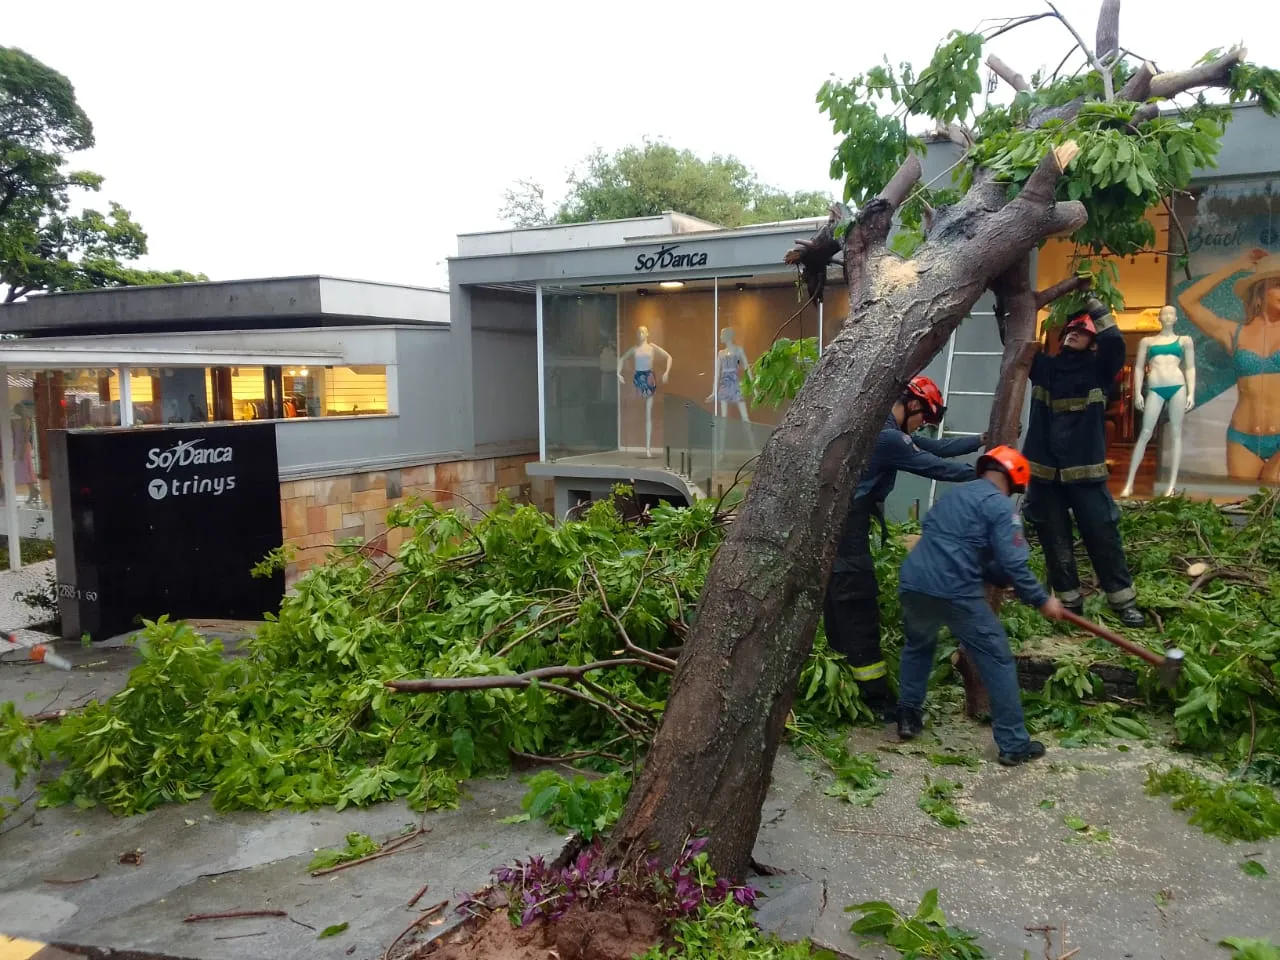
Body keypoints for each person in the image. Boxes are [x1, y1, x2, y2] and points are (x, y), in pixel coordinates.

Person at [825, 374, 986, 718]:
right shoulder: (888, 438)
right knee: (858, 606)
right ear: (912, 404)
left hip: (834, 527)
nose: (923, 425)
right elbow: (934, 466)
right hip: (847, 531)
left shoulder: (881, 428)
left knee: (837, 605)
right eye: (923, 417)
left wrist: (980, 442)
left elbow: (934, 448)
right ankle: (877, 700)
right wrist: (984, 475)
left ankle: (844, 684)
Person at [895, 445, 1066, 766]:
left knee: (918, 647)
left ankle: (907, 717)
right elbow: (1014, 561)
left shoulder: (954, 497)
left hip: (915, 582)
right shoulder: (1001, 508)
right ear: (1014, 480)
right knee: (997, 658)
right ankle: (1014, 743)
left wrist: (997, 576)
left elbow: (959, 544)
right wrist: (1042, 600)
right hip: (955, 590)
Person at [1021, 299, 1144, 627]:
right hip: (1046, 476)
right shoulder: (1045, 367)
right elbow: (1014, 338)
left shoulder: (1099, 369)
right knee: (1054, 540)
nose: (1073, 334)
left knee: (1102, 535)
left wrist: (1093, 304)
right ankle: (1070, 604)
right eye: (1070, 330)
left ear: (1092, 342)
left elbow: (1116, 342)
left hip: (1085, 475)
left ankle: (1123, 602)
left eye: (1081, 331)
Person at [1177, 249, 1280, 483]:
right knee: (1244, 510)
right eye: (1278, 285)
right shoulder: (1233, 333)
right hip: (1242, 438)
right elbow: (1187, 300)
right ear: (1260, 290)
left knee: (1271, 503)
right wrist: (1236, 265)